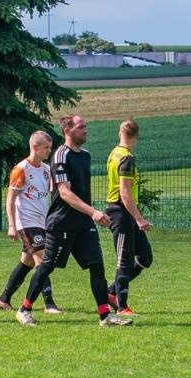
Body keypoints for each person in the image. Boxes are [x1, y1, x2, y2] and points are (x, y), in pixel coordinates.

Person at [16, 114, 126, 327]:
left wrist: (90, 215)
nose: (85, 130)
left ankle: (105, 316)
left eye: (85, 126)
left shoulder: (86, 155)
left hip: (84, 223)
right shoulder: (60, 155)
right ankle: (24, 309)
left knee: (97, 265)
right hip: (62, 223)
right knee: (47, 266)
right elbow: (65, 193)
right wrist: (93, 212)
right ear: (67, 130)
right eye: (81, 127)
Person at [0, 131, 59, 314]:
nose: (49, 151)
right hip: (27, 222)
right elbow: (10, 199)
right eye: (46, 147)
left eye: (50, 147)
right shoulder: (21, 169)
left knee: (27, 263)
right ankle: (49, 304)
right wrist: (12, 225)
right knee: (43, 260)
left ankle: (3, 299)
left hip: (42, 222)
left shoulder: (46, 170)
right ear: (35, 147)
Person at [104, 119, 153, 314]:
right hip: (120, 212)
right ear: (137, 136)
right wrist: (139, 218)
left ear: (119, 133)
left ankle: (110, 292)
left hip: (126, 212)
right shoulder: (126, 158)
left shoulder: (114, 153)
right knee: (124, 260)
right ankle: (122, 307)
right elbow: (124, 193)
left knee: (145, 257)